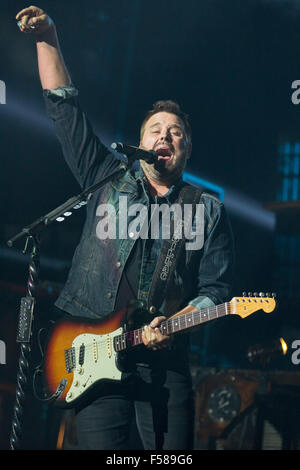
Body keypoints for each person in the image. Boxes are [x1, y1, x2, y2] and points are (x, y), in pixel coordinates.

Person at [16, 6, 235, 450]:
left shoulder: (207, 210)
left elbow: (215, 291)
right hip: (93, 354)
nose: (166, 136)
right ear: (141, 144)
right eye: (156, 129)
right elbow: (64, 110)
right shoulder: (106, 178)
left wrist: (172, 324)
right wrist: (48, 37)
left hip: (165, 363)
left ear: (186, 150)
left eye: (176, 133)